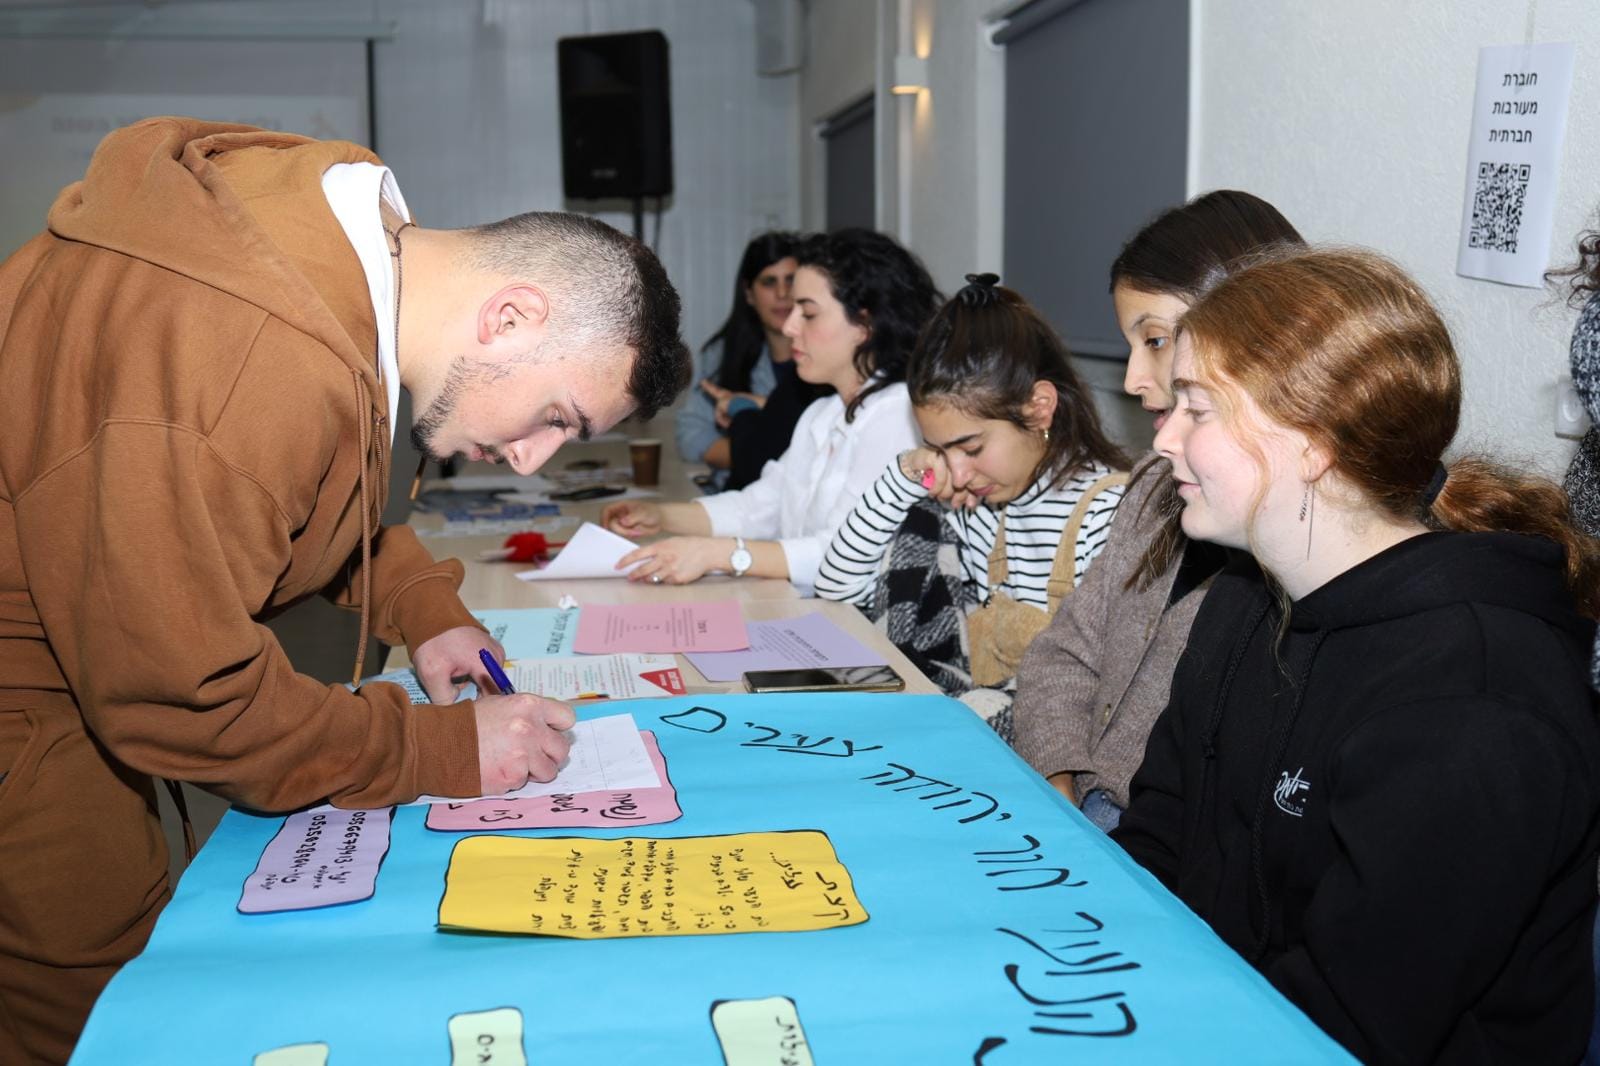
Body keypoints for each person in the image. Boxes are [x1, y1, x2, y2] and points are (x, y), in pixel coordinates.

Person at [0, 117, 689, 1063]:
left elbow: (306, 494)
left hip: (67, 640)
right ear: (512, 316)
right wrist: (432, 745)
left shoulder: (340, 236)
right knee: (99, 998)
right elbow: (182, 695)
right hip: (28, 699)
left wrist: (424, 608)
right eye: (556, 418)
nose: (534, 460)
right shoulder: (254, 348)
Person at [1112, 247, 1600, 1062]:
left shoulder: (1474, 704)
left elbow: (1345, 1023)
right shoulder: (1242, 597)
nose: (1162, 440)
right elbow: (1155, 840)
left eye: (1196, 411)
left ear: (1312, 443)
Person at [1012, 190, 1305, 830]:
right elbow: (1061, 655)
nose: (1132, 379)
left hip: (1168, 852)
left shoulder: (1299, 534)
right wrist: (1057, 786)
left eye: (1156, 340)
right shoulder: (1153, 487)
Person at [814, 274, 1126, 732]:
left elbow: (1099, 690)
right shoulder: (971, 505)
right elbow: (836, 590)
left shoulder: (1106, 513)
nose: (957, 473)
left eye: (972, 448)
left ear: (1039, 408)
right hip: (967, 727)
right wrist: (905, 476)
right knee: (921, 515)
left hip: (1051, 744)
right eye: (941, 450)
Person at [601, 229, 940, 593]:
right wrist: (660, 515)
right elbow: (760, 506)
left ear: (864, 325)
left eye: (807, 313)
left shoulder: (896, 415)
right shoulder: (823, 413)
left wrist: (719, 554)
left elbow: (842, 553)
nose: (790, 326)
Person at [676, 231, 822, 491]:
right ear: (749, 293)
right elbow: (690, 434)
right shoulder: (722, 354)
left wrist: (755, 445)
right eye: (768, 282)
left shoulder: (827, 355)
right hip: (742, 495)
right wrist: (755, 454)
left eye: (791, 280)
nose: (782, 293)